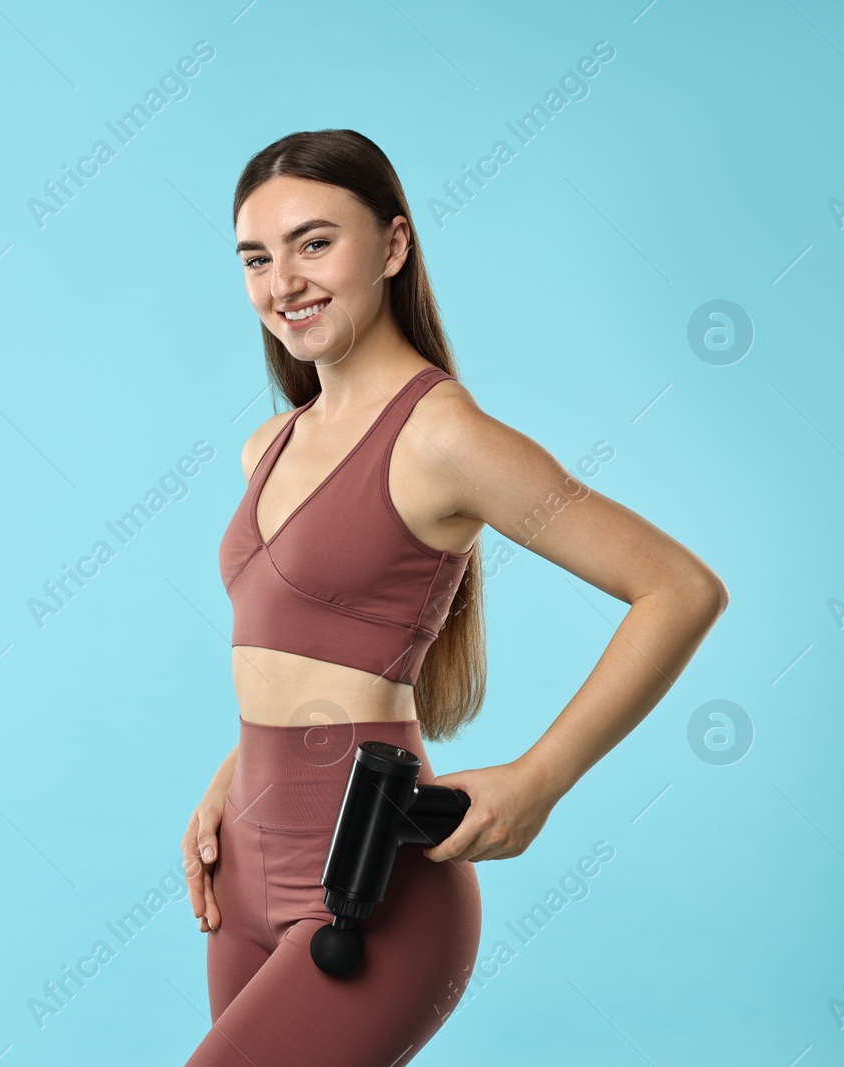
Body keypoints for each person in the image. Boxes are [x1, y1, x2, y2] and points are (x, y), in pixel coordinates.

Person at [180, 129, 728, 1065]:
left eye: (316, 243)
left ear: (393, 246)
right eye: (257, 258)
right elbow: (297, 645)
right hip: (244, 868)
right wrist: (236, 772)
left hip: (369, 879)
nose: (284, 284)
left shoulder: (442, 437)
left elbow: (679, 588)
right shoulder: (266, 447)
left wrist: (539, 779)